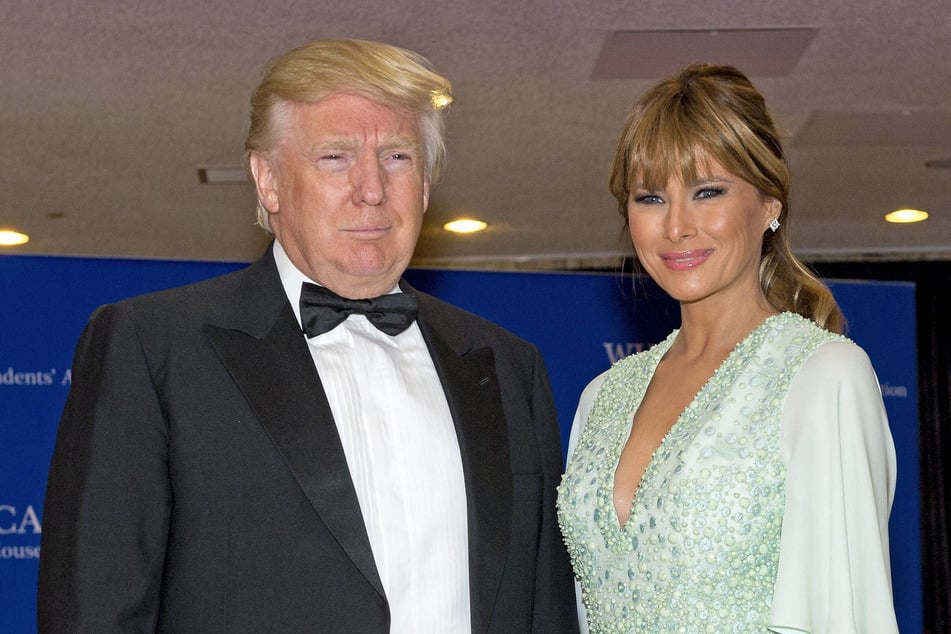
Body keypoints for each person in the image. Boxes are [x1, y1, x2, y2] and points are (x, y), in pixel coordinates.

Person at [38, 38, 578, 633]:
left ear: (426, 184)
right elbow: (94, 609)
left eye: (398, 157)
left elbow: (544, 609)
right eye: (336, 157)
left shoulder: (507, 365)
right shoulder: (152, 348)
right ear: (268, 180)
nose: (372, 188)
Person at [557, 64, 898, 633]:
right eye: (650, 198)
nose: (676, 227)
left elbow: (849, 615)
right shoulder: (602, 398)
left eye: (707, 192)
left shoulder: (824, 376)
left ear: (769, 203)